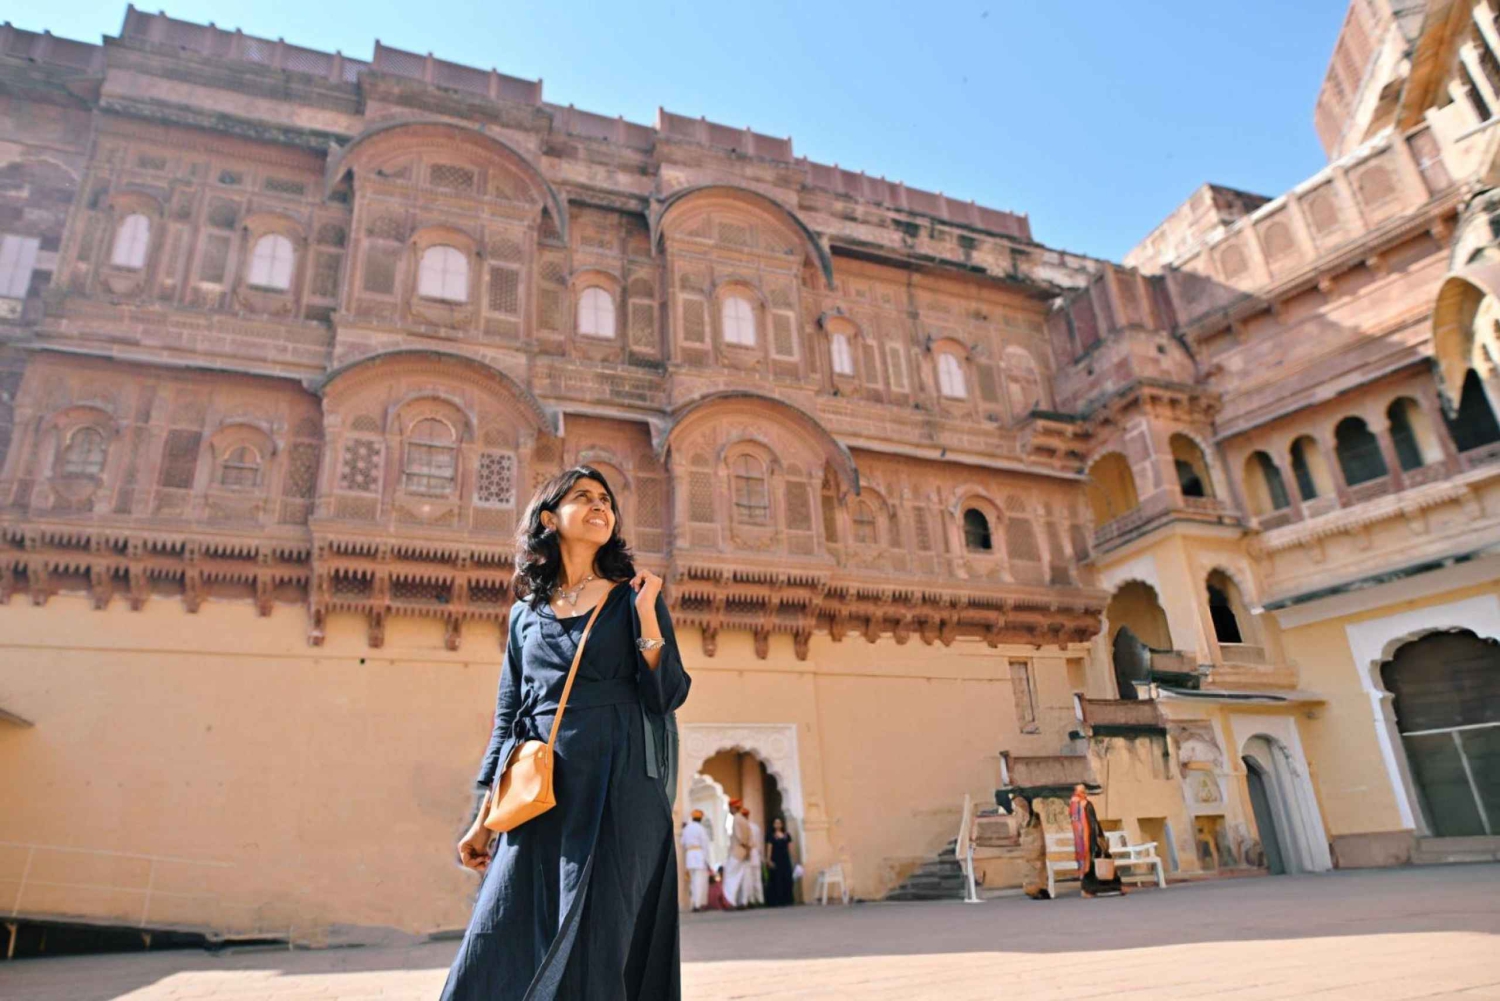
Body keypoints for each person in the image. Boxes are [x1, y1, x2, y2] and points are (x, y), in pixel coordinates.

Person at [440, 466, 692, 1001]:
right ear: (550, 518)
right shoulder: (524, 614)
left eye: (606, 499)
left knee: (599, 942)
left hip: (620, 786)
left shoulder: (633, 598)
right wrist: (483, 819)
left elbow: (666, 694)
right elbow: (510, 715)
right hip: (541, 790)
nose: (601, 506)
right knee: (501, 934)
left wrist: (647, 617)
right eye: (584, 498)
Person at [1069, 784, 1124, 898]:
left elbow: (1093, 822)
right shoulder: (1079, 804)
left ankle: (1103, 888)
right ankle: (1090, 889)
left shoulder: (1080, 804)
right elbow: (1086, 824)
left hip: (1088, 839)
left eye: (1084, 790)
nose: (1084, 792)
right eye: (1081, 790)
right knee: (1090, 864)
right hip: (1086, 840)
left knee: (1096, 861)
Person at [1012, 795, 1050, 900]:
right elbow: (1021, 824)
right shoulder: (1021, 808)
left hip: (1035, 839)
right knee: (1033, 865)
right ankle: (1034, 889)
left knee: (1038, 864)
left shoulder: (1031, 809)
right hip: (1030, 839)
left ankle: (1040, 887)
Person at [722, 798, 752, 907]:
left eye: (730, 807)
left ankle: (730, 901)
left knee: (730, 876)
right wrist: (748, 850)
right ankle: (742, 901)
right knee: (740, 876)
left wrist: (745, 846)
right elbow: (750, 838)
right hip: (743, 852)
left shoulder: (736, 819)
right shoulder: (744, 820)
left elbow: (740, 837)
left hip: (736, 852)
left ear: (733, 807)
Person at [681, 809, 711, 911]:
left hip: (689, 856)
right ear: (700, 818)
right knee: (698, 881)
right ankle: (697, 905)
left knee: (692, 881)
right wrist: (707, 860)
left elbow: (683, 843)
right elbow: (705, 845)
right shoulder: (701, 829)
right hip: (699, 856)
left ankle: (693, 903)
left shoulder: (686, 828)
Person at [764, 816, 796, 907]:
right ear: (773, 825)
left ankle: (787, 900)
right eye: (776, 823)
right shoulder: (771, 835)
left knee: (787, 879)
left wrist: (792, 859)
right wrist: (768, 859)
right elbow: (769, 847)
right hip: (776, 860)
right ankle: (777, 901)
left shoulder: (786, 835)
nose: (778, 825)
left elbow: (790, 848)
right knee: (777, 880)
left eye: (779, 823)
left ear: (782, 824)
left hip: (785, 860)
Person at [743, 806, 765, 906]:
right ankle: (760, 900)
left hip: (747, 854)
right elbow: (760, 842)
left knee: (748, 879)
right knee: (757, 878)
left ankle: (751, 900)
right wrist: (760, 855)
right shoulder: (755, 827)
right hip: (755, 853)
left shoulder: (743, 827)